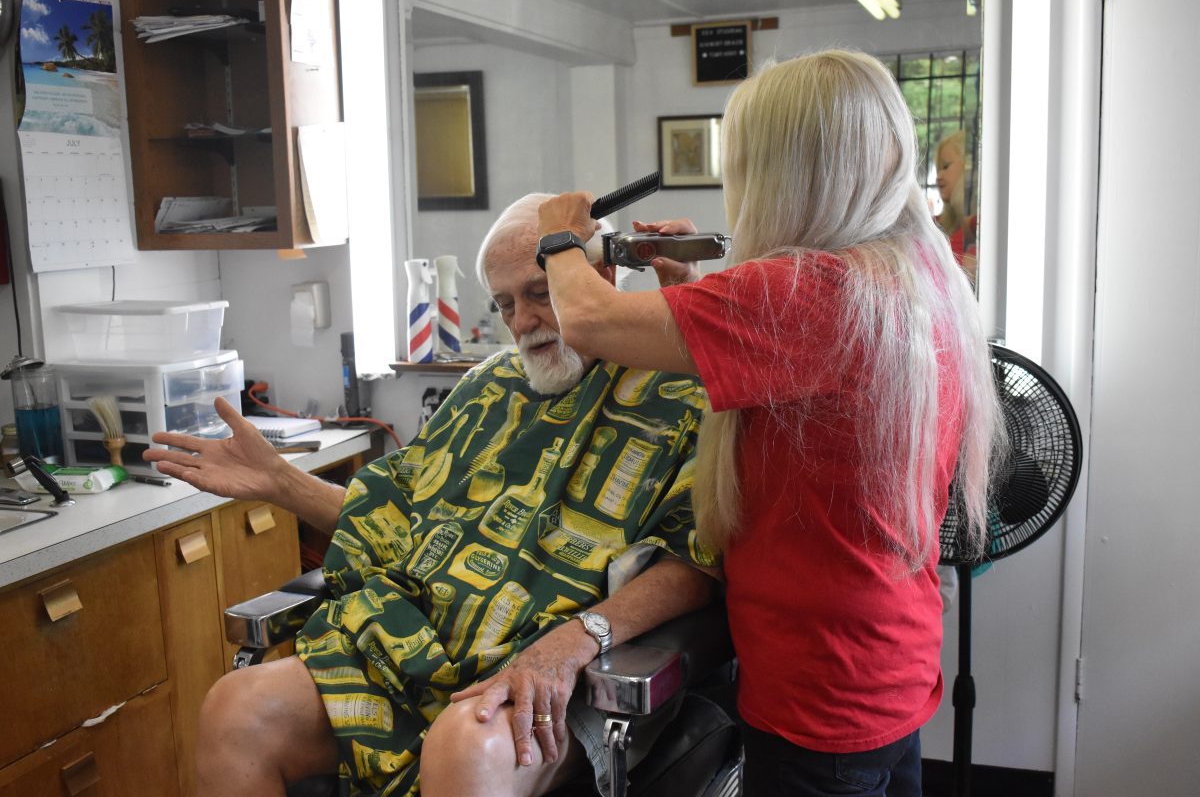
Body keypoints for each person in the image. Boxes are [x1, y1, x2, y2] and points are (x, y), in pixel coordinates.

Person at [534, 50, 1003, 797]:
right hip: (888, 667)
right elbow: (804, 386)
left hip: (819, 695)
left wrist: (557, 237)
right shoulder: (917, 277)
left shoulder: (809, 293)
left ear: (791, 171)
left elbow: (587, 320)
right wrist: (688, 289)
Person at [145, 194, 719, 797]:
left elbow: (694, 562)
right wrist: (281, 482)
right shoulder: (487, 390)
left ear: (595, 273)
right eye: (504, 304)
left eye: (540, 292)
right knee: (237, 710)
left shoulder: (681, 389)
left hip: (560, 664)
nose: (522, 321)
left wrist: (574, 643)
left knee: (464, 744)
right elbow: (397, 521)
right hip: (412, 644)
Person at [933, 129, 978, 281]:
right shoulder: (936, 223)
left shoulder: (977, 224)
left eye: (945, 167)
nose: (938, 176)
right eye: (938, 169)